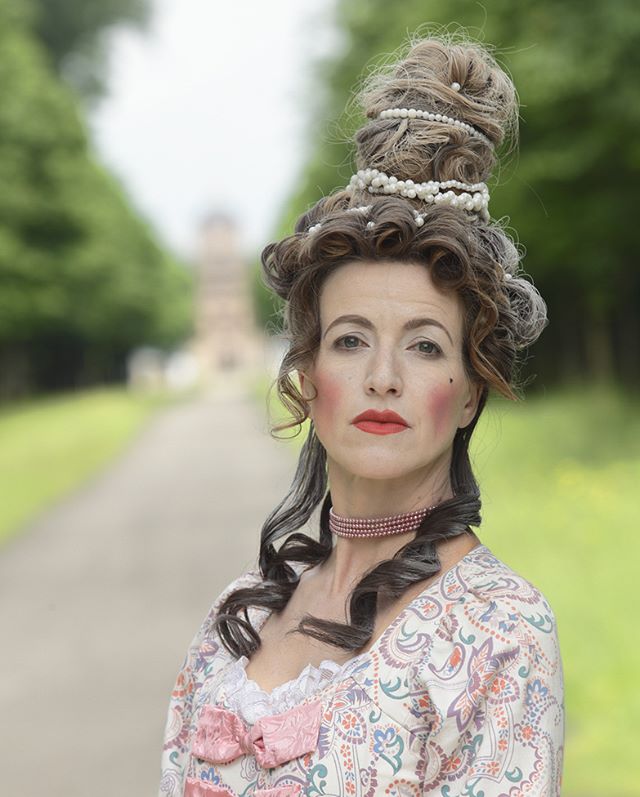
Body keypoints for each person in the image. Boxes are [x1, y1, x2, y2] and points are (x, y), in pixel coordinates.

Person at [159, 32, 565, 797]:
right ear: (307, 378)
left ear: (471, 386)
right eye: (351, 341)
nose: (383, 377)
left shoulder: (500, 635)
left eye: (423, 345)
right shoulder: (235, 619)